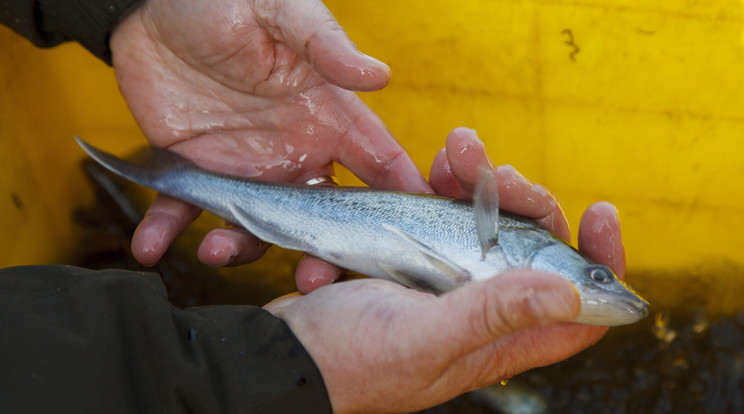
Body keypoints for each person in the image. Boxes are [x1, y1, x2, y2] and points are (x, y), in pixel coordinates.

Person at [0, 1, 627, 413]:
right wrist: (277, 368)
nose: (600, 285)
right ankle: (187, 178)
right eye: (593, 277)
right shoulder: (497, 241)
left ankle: (183, 178)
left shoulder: (495, 263)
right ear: (531, 251)